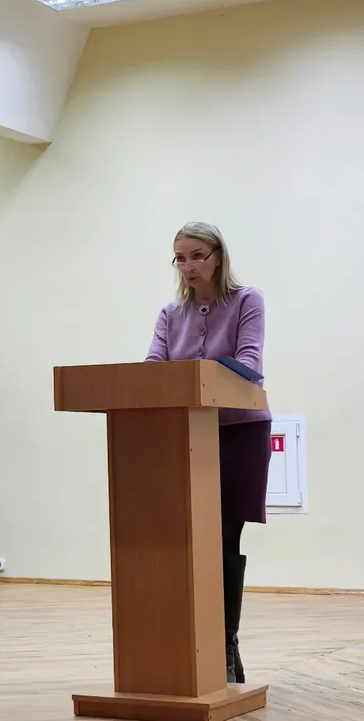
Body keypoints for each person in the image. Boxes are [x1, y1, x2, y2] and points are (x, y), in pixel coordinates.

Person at [144, 221, 271, 685]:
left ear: (218, 256)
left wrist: (199, 373)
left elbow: (249, 362)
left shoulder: (246, 300)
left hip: (238, 432)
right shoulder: (170, 313)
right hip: (184, 434)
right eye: (180, 257)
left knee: (224, 536)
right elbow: (153, 369)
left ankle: (225, 643)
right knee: (188, 537)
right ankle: (193, 643)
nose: (189, 266)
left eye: (198, 255)